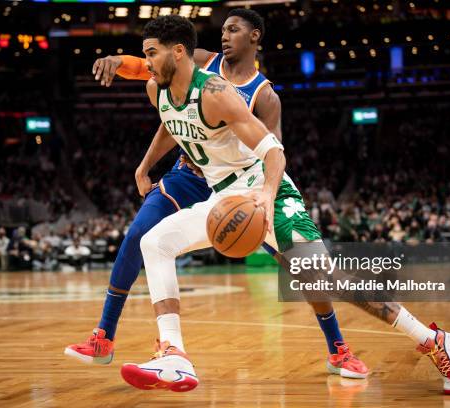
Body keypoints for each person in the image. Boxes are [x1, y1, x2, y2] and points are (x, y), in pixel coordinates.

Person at [119, 15, 450, 395]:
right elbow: (175, 122)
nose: (147, 64)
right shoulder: (158, 91)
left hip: (266, 193)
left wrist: (267, 196)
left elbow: (273, 151)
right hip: (223, 198)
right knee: (154, 243)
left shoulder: (217, 92)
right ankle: (175, 355)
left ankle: (434, 340)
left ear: (180, 52)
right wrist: (144, 167)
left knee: (327, 279)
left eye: (151, 54)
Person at [65, 9, 367, 379]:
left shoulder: (263, 94)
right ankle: (104, 337)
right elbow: (162, 102)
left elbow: (271, 150)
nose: (224, 36)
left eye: (233, 30)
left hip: (238, 185)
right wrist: (117, 64)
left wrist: (266, 196)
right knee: (140, 236)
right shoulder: (203, 60)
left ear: (254, 37)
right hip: (190, 174)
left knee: (303, 270)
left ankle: (338, 348)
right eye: (223, 30)